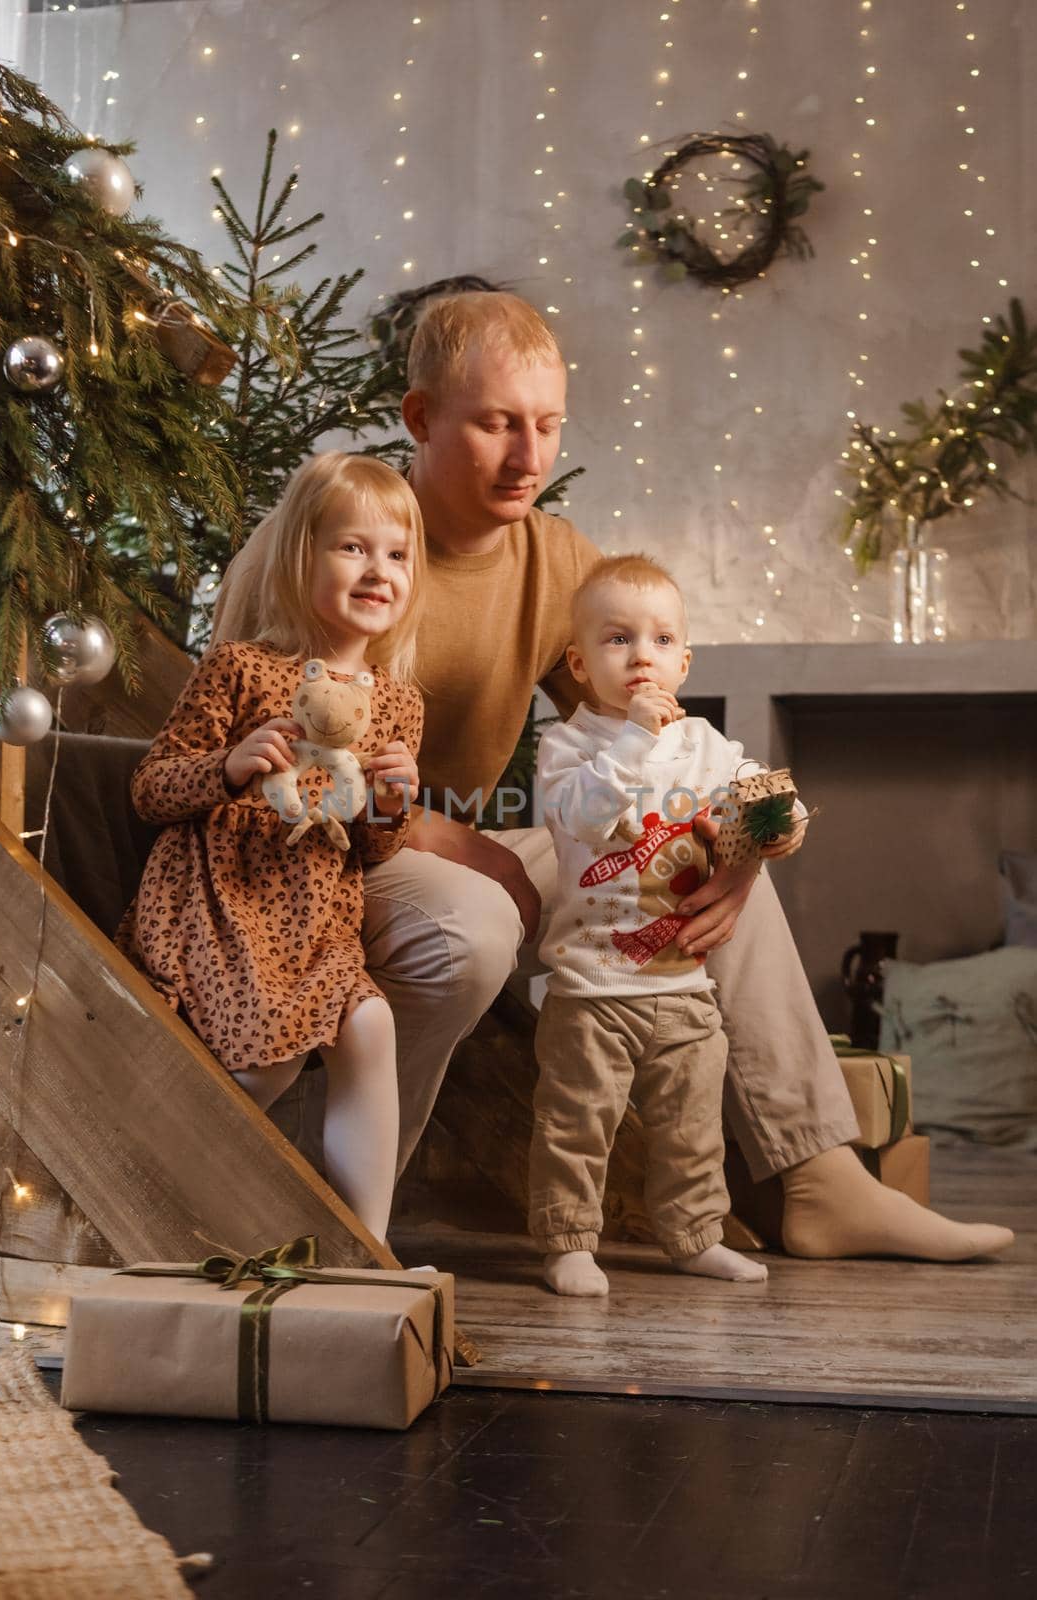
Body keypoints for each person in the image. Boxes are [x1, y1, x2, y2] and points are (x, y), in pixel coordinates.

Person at [213, 293, 1014, 1263]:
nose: (528, 457)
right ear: (421, 418)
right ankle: (337, 1217)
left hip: (462, 843)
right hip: (328, 848)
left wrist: (734, 849)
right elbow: (258, 734)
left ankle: (817, 1181)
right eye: (496, 424)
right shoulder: (341, 531)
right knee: (473, 926)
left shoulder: (557, 562)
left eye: (547, 425)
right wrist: (446, 836)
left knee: (697, 872)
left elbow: (635, 736)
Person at [116, 453, 424, 1243]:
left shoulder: (397, 702)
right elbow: (151, 788)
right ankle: (150, 1181)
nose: (377, 570)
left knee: (371, 1028)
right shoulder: (240, 668)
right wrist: (226, 767)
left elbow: (372, 849)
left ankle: (369, 1246)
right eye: (352, 547)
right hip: (217, 902)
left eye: (396, 554)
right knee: (262, 1065)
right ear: (301, 556)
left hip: (318, 916)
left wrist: (391, 804)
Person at [530, 552, 804, 1294]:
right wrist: (634, 740)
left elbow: (758, 797)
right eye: (617, 640)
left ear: (683, 661)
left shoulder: (707, 747)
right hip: (590, 983)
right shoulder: (567, 747)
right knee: (577, 1124)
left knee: (691, 1128)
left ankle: (693, 1235)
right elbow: (585, 819)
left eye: (658, 641)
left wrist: (780, 826)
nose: (639, 657)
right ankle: (567, 1243)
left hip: (682, 979)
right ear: (579, 664)